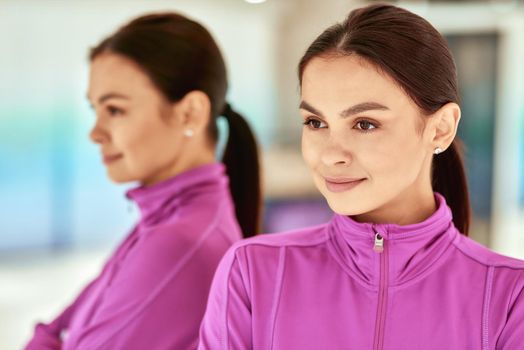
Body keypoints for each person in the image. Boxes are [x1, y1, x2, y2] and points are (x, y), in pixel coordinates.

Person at [198, 4, 524, 349]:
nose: (331, 154)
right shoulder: (252, 273)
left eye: (365, 124)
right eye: (316, 123)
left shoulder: (509, 297)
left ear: (440, 129)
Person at [25, 12, 261, 350]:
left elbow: (57, 336)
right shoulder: (164, 222)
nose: (95, 133)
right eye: (95, 110)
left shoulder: (177, 242)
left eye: (115, 110)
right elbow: (58, 329)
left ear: (190, 113)